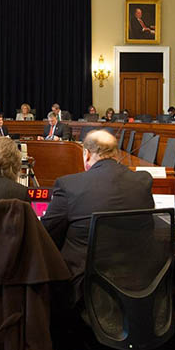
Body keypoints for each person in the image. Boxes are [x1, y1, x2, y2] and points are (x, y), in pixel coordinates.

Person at [41, 130, 153, 305]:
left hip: (83, 287)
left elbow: (46, 235)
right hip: (137, 282)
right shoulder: (143, 181)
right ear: (116, 153)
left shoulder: (69, 185)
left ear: (86, 154)